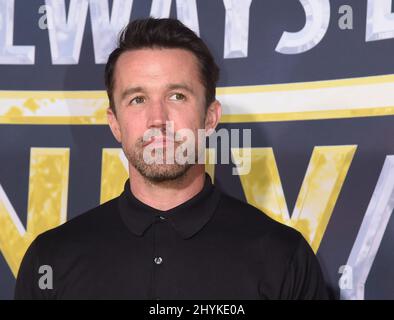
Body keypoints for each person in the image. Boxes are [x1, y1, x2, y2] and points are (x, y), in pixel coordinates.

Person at [14, 18, 328, 300]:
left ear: (210, 117)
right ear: (114, 123)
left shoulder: (283, 256)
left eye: (177, 95)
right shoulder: (52, 258)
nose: (157, 118)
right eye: (137, 99)